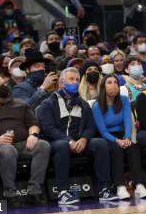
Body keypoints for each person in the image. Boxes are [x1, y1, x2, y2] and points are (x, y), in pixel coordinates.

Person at [37, 67, 119, 205]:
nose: (75, 82)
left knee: (100, 143)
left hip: (79, 142)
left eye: (77, 80)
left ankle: (104, 188)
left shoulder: (83, 104)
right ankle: (63, 192)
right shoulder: (48, 103)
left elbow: (90, 126)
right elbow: (47, 128)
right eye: (71, 79)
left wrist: (84, 139)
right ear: (61, 83)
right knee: (62, 145)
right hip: (57, 142)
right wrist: (69, 141)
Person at [0, 74, 51, 206]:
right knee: (7, 150)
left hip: (24, 143)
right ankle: (10, 193)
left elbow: (33, 124)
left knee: (43, 145)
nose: (3, 88)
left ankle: (34, 190)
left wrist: (33, 135)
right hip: (2, 145)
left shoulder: (21, 104)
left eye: (4, 84)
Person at [92, 75, 146, 200]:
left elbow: (127, 122)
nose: (113, 85)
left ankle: (139, 185)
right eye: (109, 82)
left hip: (122, 135)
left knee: (133, 148)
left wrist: (127, 138)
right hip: (107, 138)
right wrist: (117, 141)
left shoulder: (124, 100)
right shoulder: (97, 106)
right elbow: (102, 131)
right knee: (116, 149)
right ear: (103, 87)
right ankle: (120, 186)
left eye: (115, 82)